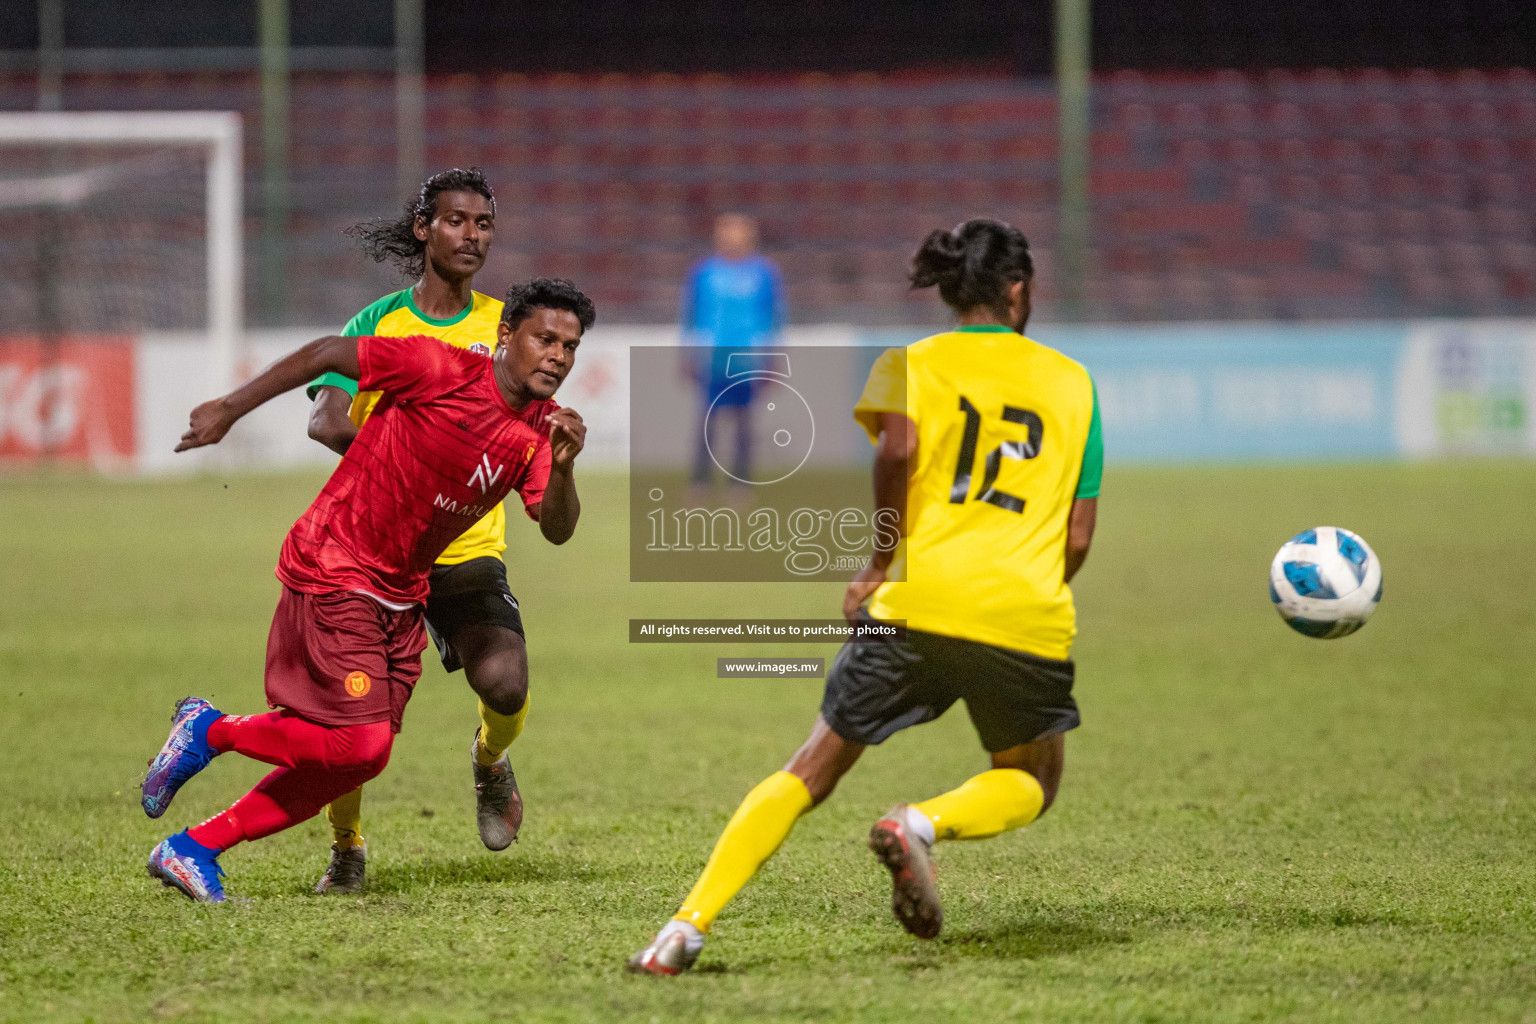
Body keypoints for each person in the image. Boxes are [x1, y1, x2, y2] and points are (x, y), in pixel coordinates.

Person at [629, 219, 1103, 973]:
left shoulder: (907, 364)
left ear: (951, 290)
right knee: (1030, 778)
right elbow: (1077, 536)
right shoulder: (1074, 383)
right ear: (1019, 290)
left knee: (812, 767)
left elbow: (902, 449)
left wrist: (881, 561)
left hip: (914, 604)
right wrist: (1026, 592)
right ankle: (921, 822)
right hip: (1024, 611)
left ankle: (684, 928)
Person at [140, 278, 593, 903]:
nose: (559, 357)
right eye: (547, 339)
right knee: (362, 743)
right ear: (506, 335)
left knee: (355, 758)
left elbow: (558, 528)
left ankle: (193, 848)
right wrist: (229, 408)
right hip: (337, 564)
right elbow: (328, 351)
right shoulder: (439, 368)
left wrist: (565, 466)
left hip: (401, 591)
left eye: (571, 347)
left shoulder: (544, 431)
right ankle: (209, 731)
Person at [305, 168, 539, 893]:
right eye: (456, 221)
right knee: (354, 723)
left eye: (484, 225)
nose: (472, 236)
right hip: (372, 552)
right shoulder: (376, 323)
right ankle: (347, 847)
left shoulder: (505, 328)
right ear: (422, 228)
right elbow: (325, 420)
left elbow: (527, 420)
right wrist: (412, 468)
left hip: (465, 549)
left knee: (505, 686)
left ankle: (489, 761)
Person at [681, 212, 783, 495]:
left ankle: (740, 481)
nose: (731, 238)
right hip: (712, 355)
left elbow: (773, 317)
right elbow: (690, 315)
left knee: (744, 421)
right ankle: (700, 480)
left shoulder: (764, 273)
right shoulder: (704, 272)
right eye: (726, 232)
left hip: (747, 356)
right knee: (707, 419)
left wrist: (771, 358)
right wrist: (686, 354)